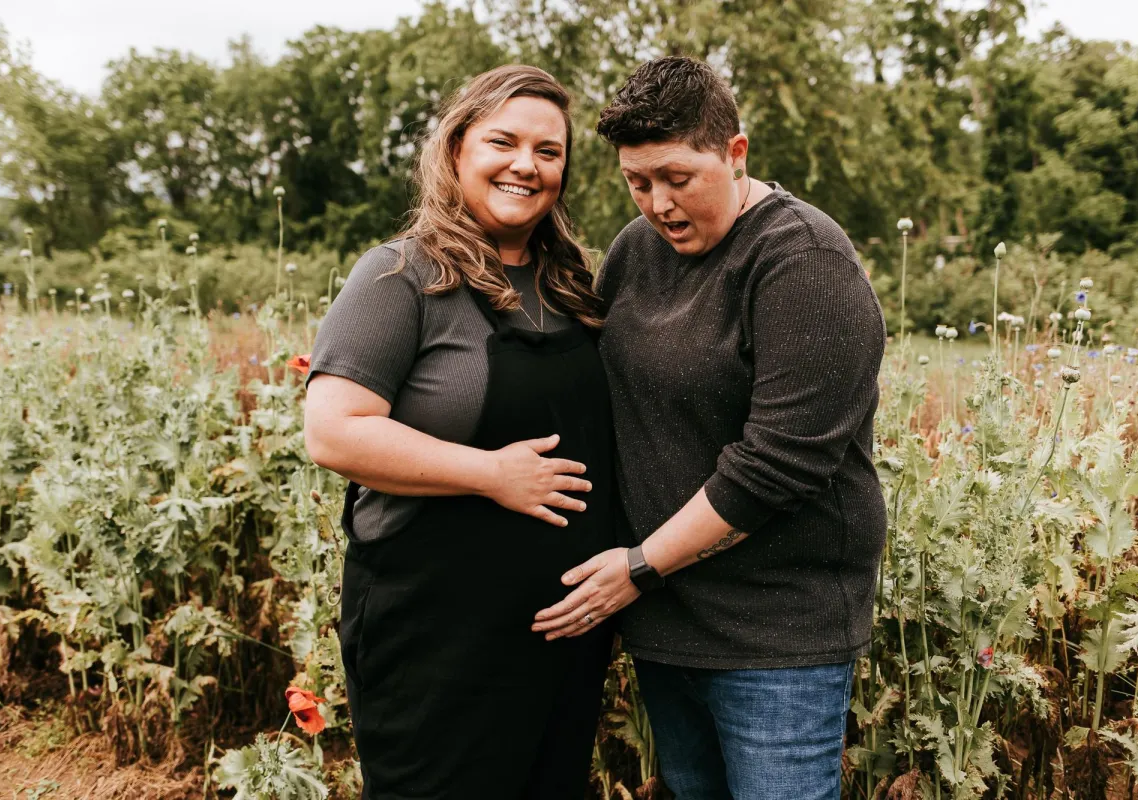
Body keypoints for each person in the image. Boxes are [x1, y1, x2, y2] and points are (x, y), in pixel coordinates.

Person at [531, 56, 888, 800]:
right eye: (637, 182)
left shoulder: (804, 262)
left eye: (677, 178)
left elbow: (776, 466)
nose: (657, 204)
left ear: (736, 152)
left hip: (777, 638)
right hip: (666, 623)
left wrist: (637, 566)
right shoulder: (636, 252)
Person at [303, 64, 615, 800]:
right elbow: (333, 433)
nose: (526, 165)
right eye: (502, 142)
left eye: (549, 151)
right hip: (435, 637)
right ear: (455, 151)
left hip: (561, 638)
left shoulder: (571, 284)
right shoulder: (399, 277)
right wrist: (489, 473)